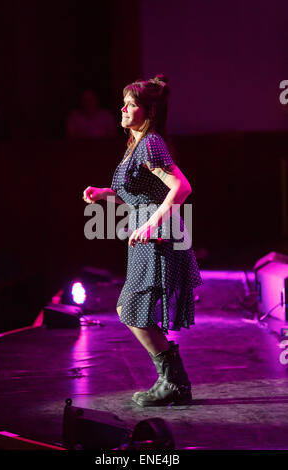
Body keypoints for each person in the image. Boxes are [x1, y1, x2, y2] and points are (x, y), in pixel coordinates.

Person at [83, 74, 202, 406]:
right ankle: (173, 382)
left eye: (131, 104)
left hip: (159, 237)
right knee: (132, 309)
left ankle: (174, 382)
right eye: (124, 102)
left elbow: (182, 187)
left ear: (147, 111)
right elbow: (138, 196)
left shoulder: (151, 142)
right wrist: (105, 194)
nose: (122, 108)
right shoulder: (135, 144)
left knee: (129, 308)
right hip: (147, 234)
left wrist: (150, 225)